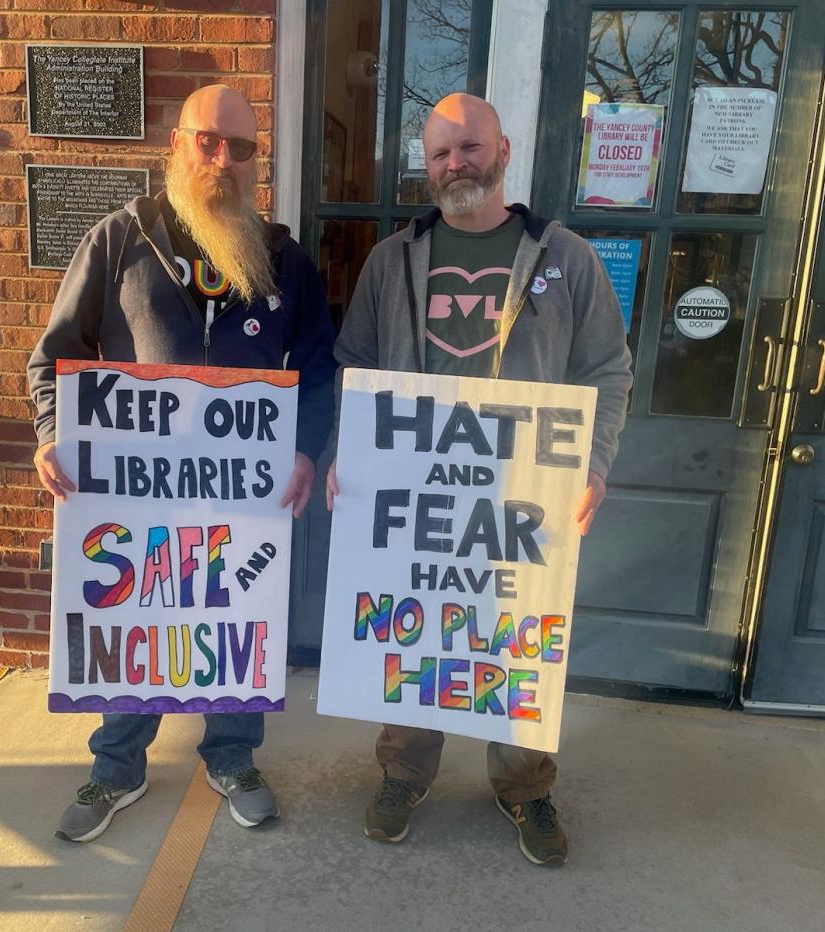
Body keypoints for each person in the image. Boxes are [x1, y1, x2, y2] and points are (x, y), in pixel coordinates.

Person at [327, 93, 633, 865]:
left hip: (523, 495)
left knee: (515, 641)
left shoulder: (566, 258)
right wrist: (348, 449)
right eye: (440, 153)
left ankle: (525, 787)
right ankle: (404, 773)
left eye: (469, 148)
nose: (456, 164)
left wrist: (593, 465)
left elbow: (608, 367)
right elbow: (355, 364)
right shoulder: (392, 259)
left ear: (503, 150)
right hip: (417, 493)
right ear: (424, 166)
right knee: (417, 624)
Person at [27, 85, 336, 843]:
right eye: (208, 141)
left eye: (241, 148)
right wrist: (49, 432)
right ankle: (117, 766)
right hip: (134, 496)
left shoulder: (283, 261)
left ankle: (232, 756)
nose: (222, 160)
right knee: (137, 615)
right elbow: (57, 354)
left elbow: (322, 371)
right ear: (177, 142)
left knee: (233, 616)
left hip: (242, 494)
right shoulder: (118, 239)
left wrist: (303, 448)